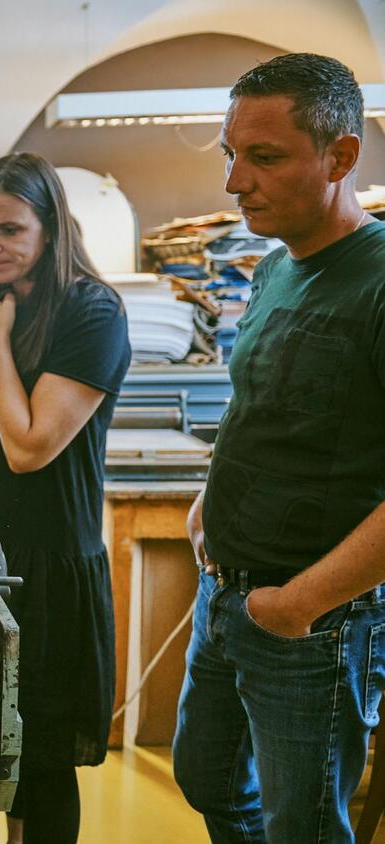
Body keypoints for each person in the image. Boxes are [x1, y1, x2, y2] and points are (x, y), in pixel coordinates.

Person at [174, 52, 385, 843]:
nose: (234, 183)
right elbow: (263, 405)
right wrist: (208, 504)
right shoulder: (271, 271)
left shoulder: (378, 281)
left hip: (312, 620)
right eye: (232, 154)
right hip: (225, 593)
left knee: (304, 828)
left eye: (264, 157)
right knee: (209, 782)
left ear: (340, 156)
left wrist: (298, 606)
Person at [0, 152, 131, 844]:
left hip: (51, 566)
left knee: (45, 764)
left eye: (9, 230)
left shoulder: (90, 310)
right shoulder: (3, 299)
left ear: (52, 228)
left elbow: (28, 448)